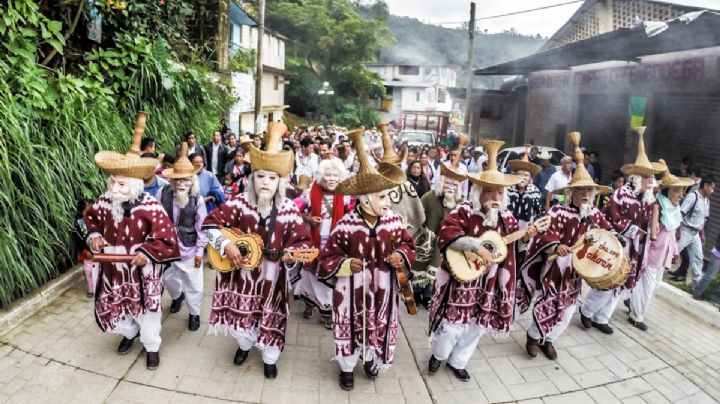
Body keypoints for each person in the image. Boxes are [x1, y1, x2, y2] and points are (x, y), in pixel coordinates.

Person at [201, 122, 312, 379]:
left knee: (272, 315)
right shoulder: (239, 203)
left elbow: (303, 242)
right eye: (260, 176)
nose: (265, 183)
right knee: (243, 318)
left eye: (272, 178)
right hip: (242, 275)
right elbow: (209, 225)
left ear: (280, 182)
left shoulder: (288, 210)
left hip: (274, 276)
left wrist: (292, 255)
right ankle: (244, 345)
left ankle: (270, 357)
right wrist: (226, 245)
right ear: (252, 179)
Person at [318, 129, 415, 391]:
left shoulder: (394, 221)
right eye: (382, 196)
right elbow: (328, 256)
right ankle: (347, 368)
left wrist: (401, 255)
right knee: (349, 325)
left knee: (379, 325)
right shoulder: (346, 225)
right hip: (351, 292)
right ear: (365, 199)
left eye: (387, 195)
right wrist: (346, 264)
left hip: (384, 291)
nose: (388, 200)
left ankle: (372, 358)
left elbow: (409, 244)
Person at [428, 140, 532, 380]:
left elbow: (512, 250)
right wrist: (476, 246)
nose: (495, 196)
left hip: (490, 282)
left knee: (476, 326)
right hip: (462, 279)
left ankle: (458, 361)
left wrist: (527, 238)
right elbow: (446, 234)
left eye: (500, 191)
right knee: (452, 324)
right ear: (478, 192)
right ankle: (439, 354)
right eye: (489, 191)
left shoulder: (509, 220)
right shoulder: (464, 210)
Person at [84, 112, 180, 370]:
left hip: (143, 269)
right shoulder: (105, 201)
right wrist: (94, 236)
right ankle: (129, 334)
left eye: (122, 185)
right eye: (113, 182)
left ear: (137, 185)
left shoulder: (152, 206)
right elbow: (91, 220)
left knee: (148, 312)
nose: (114, 189)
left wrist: (147, 253)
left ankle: (152, 347)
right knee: (119, 308)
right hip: (114, 269)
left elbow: (167, 239)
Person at [518, 132, 613, 360]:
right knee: (549, 304)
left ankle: (548, 340)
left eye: (589, 190)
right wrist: (556, 245)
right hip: (555, 269)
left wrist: (612, 241)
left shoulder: (595, 215)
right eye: (581, 190)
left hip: (578, 273)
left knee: (568, 311)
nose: (586, 195)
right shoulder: (558, 212)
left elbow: (608, 233)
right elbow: (544, 234)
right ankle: (533, 337)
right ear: (571, 192)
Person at [580, 127, 663, 335]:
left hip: (636, 249)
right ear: (635, 178)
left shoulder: (648, 199)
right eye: (647, 178)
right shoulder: (621, 194)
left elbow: (650, 224)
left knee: (620, 283)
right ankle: (587, 310)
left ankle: (602, 317)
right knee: (608, 280)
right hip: (618, 244)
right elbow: (611, 217)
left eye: (651, 179)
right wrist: (632, 230)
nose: (651, 182)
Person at [626, 161, 693, 330]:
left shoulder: (674, 208)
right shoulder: (658, 205)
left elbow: (672, 234)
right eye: (677, 190)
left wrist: (676, 251)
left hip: (664, 255)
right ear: (668, 190)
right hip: (651, 253)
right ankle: (636, 316)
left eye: (682, 191)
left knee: (654, 287)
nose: (681, 194)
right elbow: (652, 230)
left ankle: (632, 298)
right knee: (648, 287)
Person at [293, 158, 351, 329]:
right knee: (310, 275)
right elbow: (294, 208)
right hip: (313, 242)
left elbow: (354, 215)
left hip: (335, 244)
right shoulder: (310, 192)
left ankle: (327, 311)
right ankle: (310, 304)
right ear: (321, 176)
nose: (332, 178)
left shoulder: (346, 196)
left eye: (335, 175)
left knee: (330, 277)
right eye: (328, 175)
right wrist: (308, 218)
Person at [158, 143, 208, 331]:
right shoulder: (162, 193)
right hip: (168, 249)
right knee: (169, 279)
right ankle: (178, 297)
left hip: (189, 248)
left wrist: (199, 252)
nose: (182, 184)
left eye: (186, 180)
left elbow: (202, 227)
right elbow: (157, 219)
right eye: (178, 180)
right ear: (172, 180)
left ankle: (194, 314)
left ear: (192, 180)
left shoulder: (197, 199)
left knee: (195, 285)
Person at [413, 158, 466, 309]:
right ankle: (416, 293)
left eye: (454, 184)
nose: (450, 186)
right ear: (441, 182)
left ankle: (429, 295)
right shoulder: (429, 197)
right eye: (448, 183)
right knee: (420, 268)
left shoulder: (459, 202)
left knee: (437, 271)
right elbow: (417, 217)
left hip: (445, 245)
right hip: (426, 241)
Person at [673, 175, 715, 283]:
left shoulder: (707, 201)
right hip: (685, 230)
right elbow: (681, 213)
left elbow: (703, 220)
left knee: (698, 258)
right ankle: (657, 269)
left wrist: (702, 235)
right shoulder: (693, 196)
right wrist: (677, 231)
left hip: (695, 234)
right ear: (705, 186)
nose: (713, 191)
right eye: (712, 187)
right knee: (673, 252)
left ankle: (697, 286)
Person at [506, 146, 544, 230]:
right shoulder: (507, 190)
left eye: (526, 175)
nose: (522, 177)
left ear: (530, 178)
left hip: (527, 232)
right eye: (519, 174)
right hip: (508, 231)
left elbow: (540, 213)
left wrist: (536, 227)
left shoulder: (535, 191)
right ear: (514, 175)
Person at [74, 199, 99, 298]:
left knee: (98, 270)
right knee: (88, 271)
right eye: (86, 212)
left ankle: (99, 288)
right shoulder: (78, 224)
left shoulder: (97, 221)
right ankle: (90, 289)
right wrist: (85, 251)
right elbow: (78, 240)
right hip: (87, 252)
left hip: (98, 252)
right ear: (81, 211)